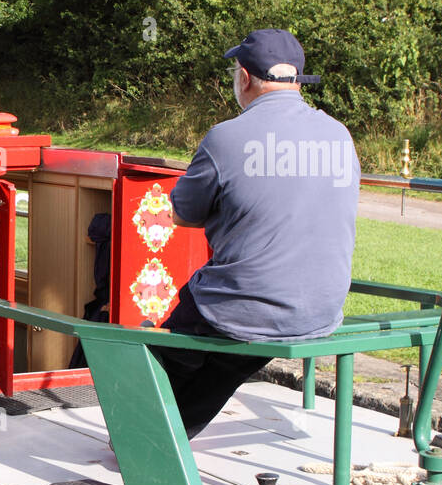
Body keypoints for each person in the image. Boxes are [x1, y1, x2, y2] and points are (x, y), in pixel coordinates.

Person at [152, 28, 360, 438]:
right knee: (224, 352)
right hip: (321, 308)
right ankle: (168, 430)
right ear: (297, 80)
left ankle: (148, 434)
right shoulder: (340, 134)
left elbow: (182, 213)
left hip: (248, 306)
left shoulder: (226, 137)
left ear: (244, 78)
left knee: (169, 349)